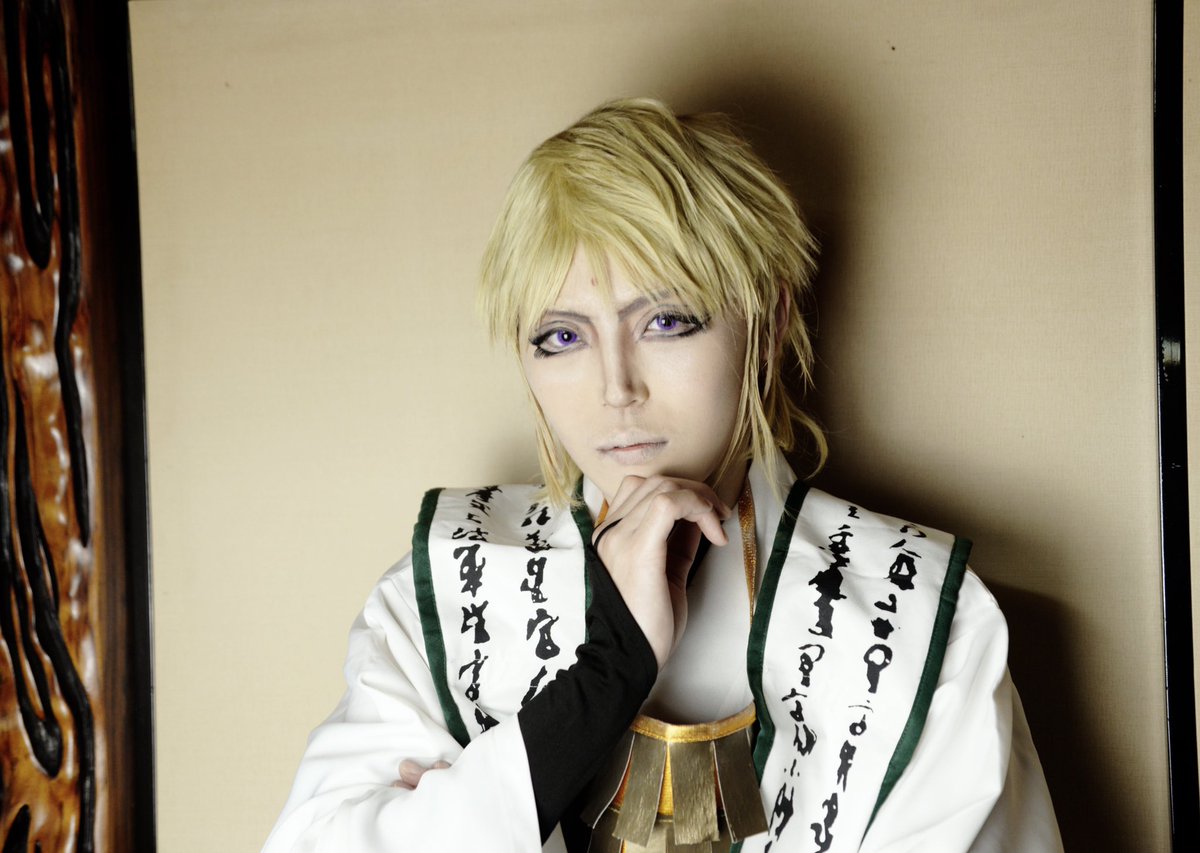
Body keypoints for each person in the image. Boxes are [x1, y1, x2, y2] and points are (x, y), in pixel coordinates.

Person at [262, 98, 1062, 852]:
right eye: (561, 337)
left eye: (667, 321)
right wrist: (600, 683)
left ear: (770, 322)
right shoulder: (440, 590)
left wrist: (458, 811)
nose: (616, 388)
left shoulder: (924, 619)